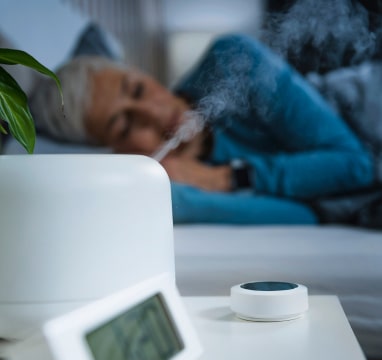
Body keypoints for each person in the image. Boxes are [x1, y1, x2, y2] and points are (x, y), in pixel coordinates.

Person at [29, 34, 377, 225]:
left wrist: (226, 180)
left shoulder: (233, 63)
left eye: (137, 89)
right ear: (115, 152)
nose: (153, 113)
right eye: (124, 125)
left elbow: (356, 165)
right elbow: (307, 217)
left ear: (142, 73)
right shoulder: (176, 190)